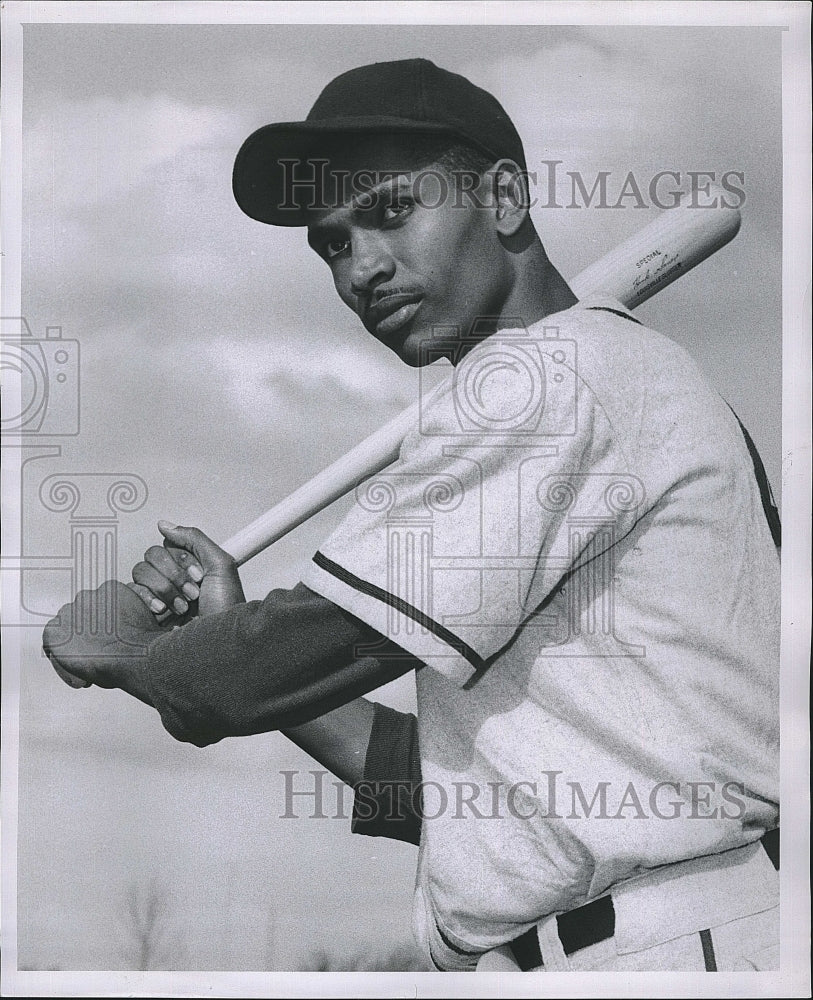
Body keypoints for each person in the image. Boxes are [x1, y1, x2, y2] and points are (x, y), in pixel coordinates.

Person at [43, 59, 780, 972]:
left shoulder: (553, 378)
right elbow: (427, 797)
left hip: (660, 946)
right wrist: (230, 640)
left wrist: (129, 651)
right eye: (333, 244)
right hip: (609, 945)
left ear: (502, 196)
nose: (364, 268)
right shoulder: (598, 384)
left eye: (393, 212)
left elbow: (223, 690)